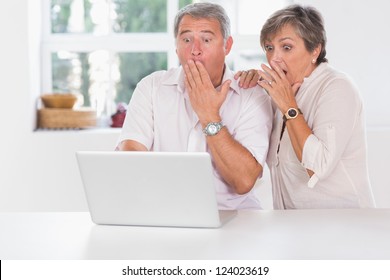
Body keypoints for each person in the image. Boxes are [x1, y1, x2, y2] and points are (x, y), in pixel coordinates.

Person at [116, 3, 273, 210]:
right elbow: (131, 156)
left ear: (227, 45)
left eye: (206, 40)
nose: (195, 50)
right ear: (176, 45)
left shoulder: (251, 94)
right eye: (186, 39)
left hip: (233, 219)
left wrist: (210, 117)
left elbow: (243, 181)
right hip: (165, 214)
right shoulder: (152, 87)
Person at [255, 4, 375, 209]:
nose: (274, 58)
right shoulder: (283, 92)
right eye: (269, 47)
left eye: (286, 47)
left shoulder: (337, 87)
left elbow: (318, 167)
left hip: (345, 225)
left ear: (315, 50)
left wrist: (289, 107)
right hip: (295, 228)